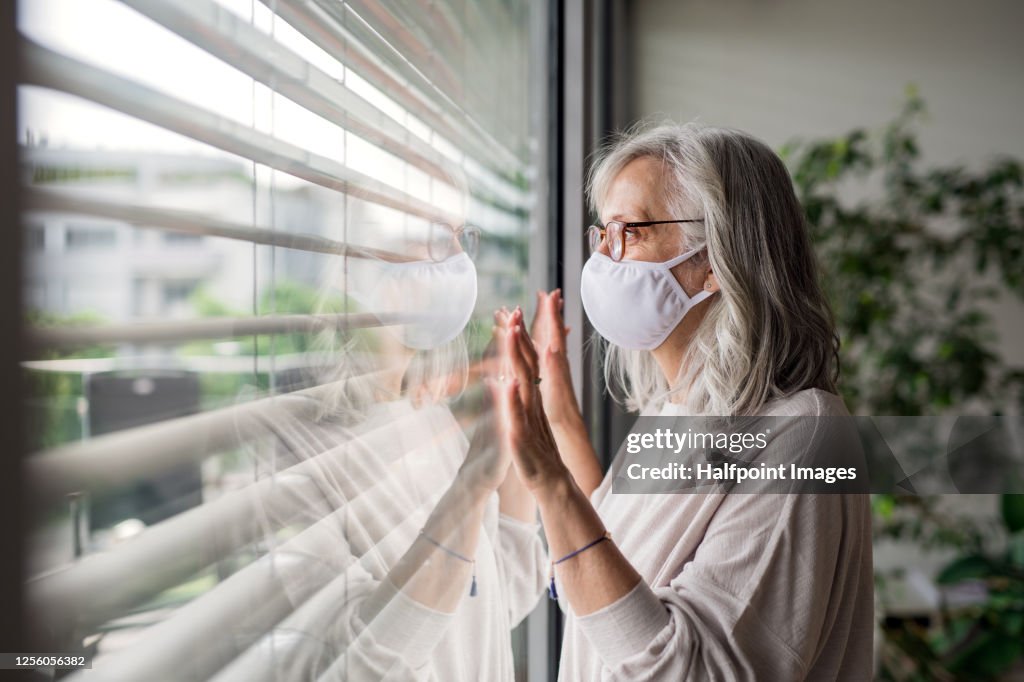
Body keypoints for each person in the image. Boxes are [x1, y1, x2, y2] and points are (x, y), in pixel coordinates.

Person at [492, 122, 875, 680]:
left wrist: (549, 483)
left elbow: (692, 670)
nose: (605, 257)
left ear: (718, 257)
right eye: (604, 233)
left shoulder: (805, 438)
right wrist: (559, 419)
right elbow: (613, 561)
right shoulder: (682, 410)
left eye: (631, 231)